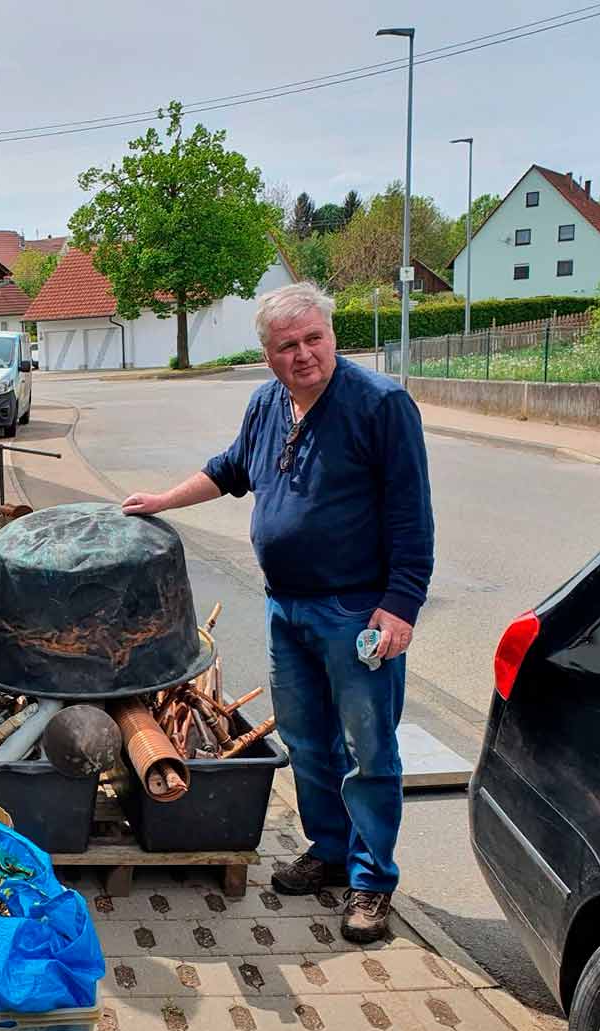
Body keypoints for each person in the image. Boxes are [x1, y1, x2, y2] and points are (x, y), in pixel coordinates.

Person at [121, 281, 433, 943]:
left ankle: (372, 881)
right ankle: (327, 850)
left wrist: (400, 605)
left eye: (313, 338)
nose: (303, 354)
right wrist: (160, 502)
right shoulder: (267, 404)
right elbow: (230, 469)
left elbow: (412, 517)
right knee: (306, 738)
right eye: (287, 345)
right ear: (267, 355)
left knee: (368, 748)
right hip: (285, 607)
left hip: (357, 612)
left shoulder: (381, 406)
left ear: (332, 335)